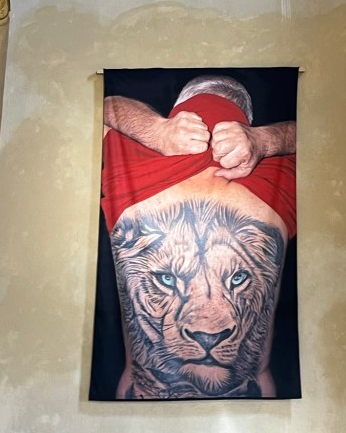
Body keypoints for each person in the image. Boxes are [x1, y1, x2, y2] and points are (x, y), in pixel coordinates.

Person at [100, 74, 296, 400]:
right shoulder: (280, 172)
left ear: (178, 111)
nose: (208, 327)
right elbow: (333, 133)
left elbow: (97, 107)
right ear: (247, 120)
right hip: (252, 411)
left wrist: (155, 130)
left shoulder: (128, 160)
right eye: (167, 278)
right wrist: (267, 140)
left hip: (141, 407)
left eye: (238, 278)